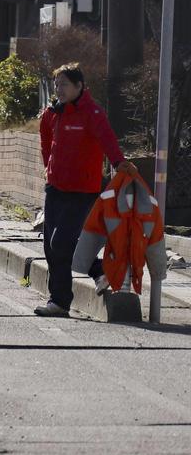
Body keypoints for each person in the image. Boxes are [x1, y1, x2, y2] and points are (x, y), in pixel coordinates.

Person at [36, 63, 138, 317]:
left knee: (61, 242)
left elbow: (107, 139)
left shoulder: (92, 113)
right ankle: (71, 292)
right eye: (56, 84)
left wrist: (118, 162)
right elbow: (46, 141)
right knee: (50, 247)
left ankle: (79, 285)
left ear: (79, 86)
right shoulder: (52, 113)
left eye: (64, 85)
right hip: (56, 187)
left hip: (83, 190)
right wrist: (49, 167)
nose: (59, 89)